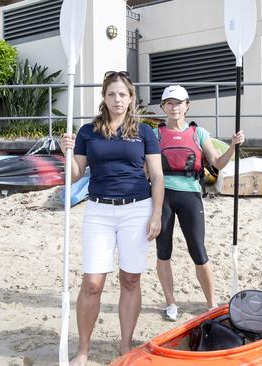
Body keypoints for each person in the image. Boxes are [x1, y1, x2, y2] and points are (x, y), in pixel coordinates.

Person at [60, 71, 164, 366]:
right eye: (111, 94)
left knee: (130, 278)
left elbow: (156, 176)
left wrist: (156, 213)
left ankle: (125, 345)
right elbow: (75, 176)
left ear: (131, 99)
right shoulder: (87, 132)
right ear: (104, 98)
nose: (117, 99)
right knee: (93, 282)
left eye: (122, 94)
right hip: (99, 211)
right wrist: (66, 153)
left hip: (137, 210)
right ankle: (83, 350)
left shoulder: (144, 132)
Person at [155, 85, 245, 321]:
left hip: (190, 194)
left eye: (179, 103)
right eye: (169, 103)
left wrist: (233, 146)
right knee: (163, 251)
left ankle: (211, 303)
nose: (174, 107)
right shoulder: (155, 134)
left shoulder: (199, 133)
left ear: (187, 106)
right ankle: (171, 303)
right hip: (162, 195)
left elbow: (217, 163)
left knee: (198, 250)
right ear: (163, 107)